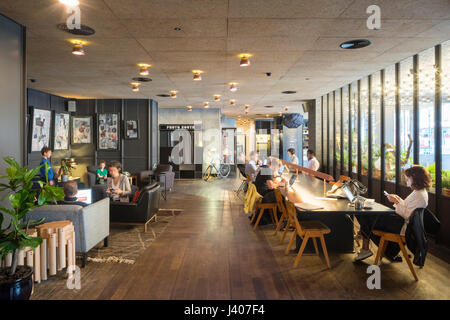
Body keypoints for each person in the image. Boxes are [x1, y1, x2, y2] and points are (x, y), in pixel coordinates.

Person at [354, 165, 431, 262]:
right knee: (368, 215)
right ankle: (365, 240)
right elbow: (407, 207)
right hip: (400, 221)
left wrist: (397, 201)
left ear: (415, 178)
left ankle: (364, 241)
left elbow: (407, 215)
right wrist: (398, 199)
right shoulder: (418, 192)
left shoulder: (420, 195)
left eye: (408, 177)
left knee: (366, 216)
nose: (406, 179)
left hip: (403, 226)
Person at [252, 157, 286, 224]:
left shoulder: (263, 168)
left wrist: (274, 178)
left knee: (279, 193)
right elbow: (271, 187)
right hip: (263, 196)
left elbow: (267, 181)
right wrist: (280, 183)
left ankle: (278, 218)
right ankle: (282, 220)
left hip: (258, 193)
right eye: (278, 168)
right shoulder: (268, 170)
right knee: (283, 195)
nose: (278, 169)